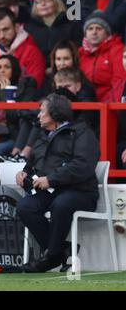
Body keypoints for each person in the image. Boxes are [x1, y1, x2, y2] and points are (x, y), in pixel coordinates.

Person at [16, 94, 99, 273]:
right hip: (50, 191)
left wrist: (51, 180)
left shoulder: (81, 132)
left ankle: (51, 255)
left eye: (42, 112)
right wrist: (24, 174)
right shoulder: (42, 135)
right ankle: (60, 251)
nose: (38, 116)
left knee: (60, 204)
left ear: (55, 113)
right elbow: (31, 164)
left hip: (81, 191)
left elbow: (82, 165)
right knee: (24, 207)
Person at [0, 8, 45, 89]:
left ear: (16, 27)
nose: (1, 36)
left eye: (6, 29)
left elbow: (33, 87)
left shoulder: (32, 52)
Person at [79, 10, 126, 102]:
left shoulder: (117, 50)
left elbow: (119, 82)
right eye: (90, 28)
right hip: (85, 103)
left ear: (107, 32)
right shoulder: (80, 53)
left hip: (109, 105)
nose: (94, 32)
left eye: (99, 28)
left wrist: (104, 104)